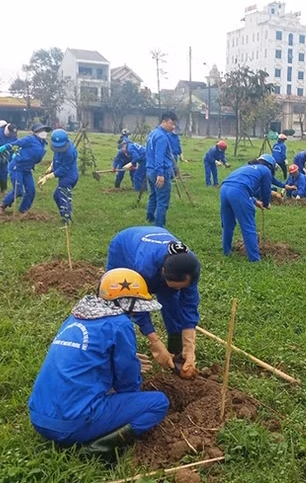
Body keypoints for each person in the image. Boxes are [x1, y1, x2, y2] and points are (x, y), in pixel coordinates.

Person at [28, 268, 170, 455]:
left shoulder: (76, 317)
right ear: (126, 303)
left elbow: (88, 355)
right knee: (159, 402)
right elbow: (127, 384)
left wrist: (119, 361)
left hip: (39, 417)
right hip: (73, 424)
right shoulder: (119, 323)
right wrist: (130, 375)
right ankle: (100, 447)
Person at [106, 227, 202, 378]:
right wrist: (155, 343)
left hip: (157, 252)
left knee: (172, 302)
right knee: (119, 301)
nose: (178, 290)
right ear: (163, 273)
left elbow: (189, 305)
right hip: (124, 247)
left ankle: (176, 353)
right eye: (174, 286)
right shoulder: (145, 267)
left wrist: (190, 348)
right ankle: (118, 349)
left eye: (181, 287)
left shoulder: (189, 268)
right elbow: (137, 305)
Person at [220, 154, 275, 262]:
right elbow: (266, 190)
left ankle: (226, 251)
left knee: (227, 223)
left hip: (225, 189)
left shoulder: (247, 167)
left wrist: (254, 201)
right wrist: (266, 203)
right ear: (270, 166)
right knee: (248, 225)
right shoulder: (266, 170)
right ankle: (254, 259)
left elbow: (241, 184)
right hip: (239, 191)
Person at [0, 123, 50, 215]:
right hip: (17, 167)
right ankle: (2, 206)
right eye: (41, 130)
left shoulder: (43, 143)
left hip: (27, 169)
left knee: (31, 191)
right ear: (35, 132)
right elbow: (14, 144)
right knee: (18, 190)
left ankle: (23, 210)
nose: (43, 132)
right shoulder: (30, 139)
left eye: (44, 131)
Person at [37, 130, 79, 223]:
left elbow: (63, 169)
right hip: (63, 176)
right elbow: (57, 157)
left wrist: (47, 177)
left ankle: (67, 220)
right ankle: (64, 215)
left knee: (63, 197)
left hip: (69, 177)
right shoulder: (59, 147)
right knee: (56, 196)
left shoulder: (70, 153)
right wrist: (52, 166)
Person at [145, 112, 177, 226]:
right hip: (159, 171)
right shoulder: (162, 137)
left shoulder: (153, 133)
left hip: (149, 170)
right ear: (164, 121)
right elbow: (159, 156)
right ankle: (159, 226)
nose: (173, 127)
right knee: (162, 200)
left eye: (174, 124)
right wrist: (160, 174)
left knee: (153, 195)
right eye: (171, 124)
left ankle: (150, 217)